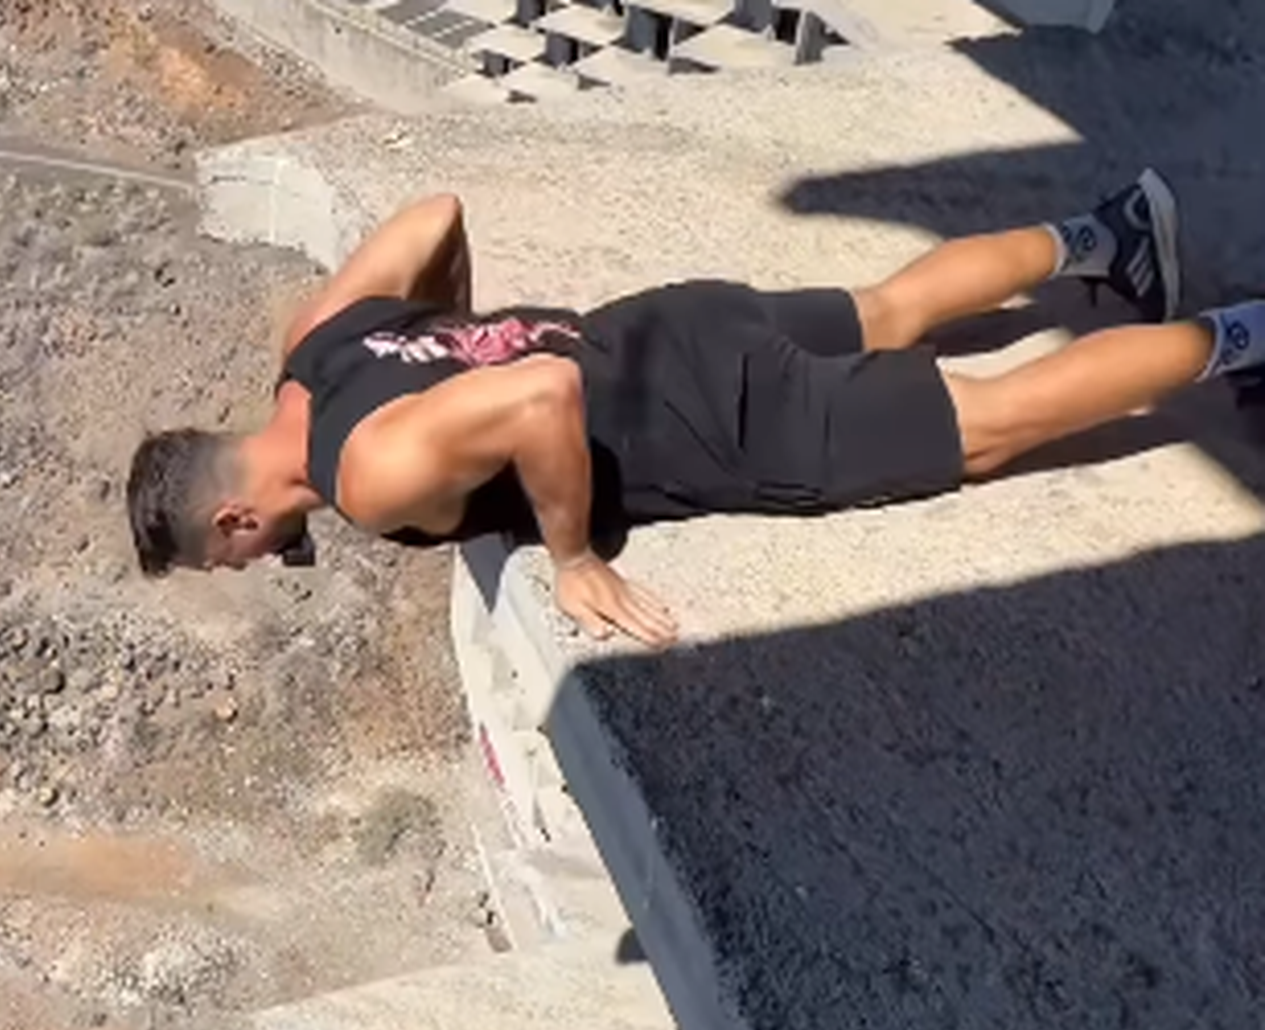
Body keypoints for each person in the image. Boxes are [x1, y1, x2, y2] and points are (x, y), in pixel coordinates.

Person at [125, 169, 1265, 649]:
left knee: (993, 424)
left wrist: (572, 556)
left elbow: (540, 395)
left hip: (716, 417)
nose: (261, 563)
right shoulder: (310, 345)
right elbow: (434, 213)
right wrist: (453, 343)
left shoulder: (369, 478)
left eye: (238, 561)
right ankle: (1109, 232)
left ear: (232, 521)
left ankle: (1246, 336)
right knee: (890, 306)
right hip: (672, 322)